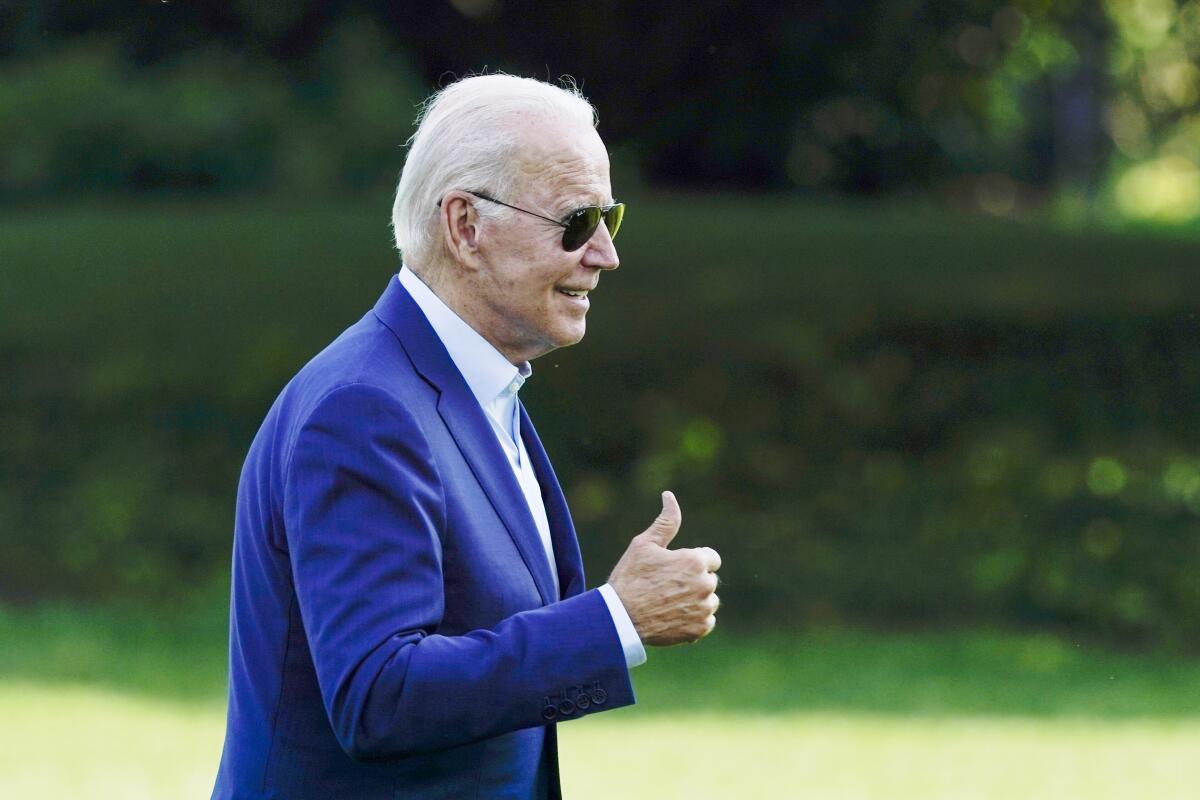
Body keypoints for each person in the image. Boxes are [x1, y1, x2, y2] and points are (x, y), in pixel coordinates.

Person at [211, 73, 722, 800]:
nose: (605, 253)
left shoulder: (475, 383)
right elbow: (378, 698)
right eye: (577, 222)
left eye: (612, 218)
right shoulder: (363, 409)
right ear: (465, 227)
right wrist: (616, 621)